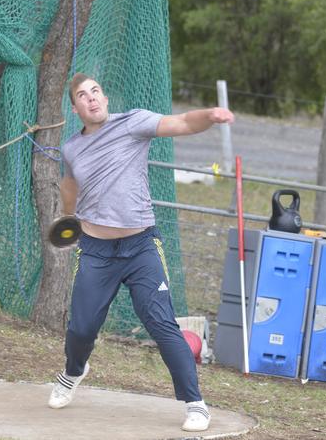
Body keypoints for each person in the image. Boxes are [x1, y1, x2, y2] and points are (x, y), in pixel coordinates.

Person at [47, 72, 234, 432]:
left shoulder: (133, 123)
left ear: (104, 97)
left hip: (140, 247)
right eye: (84, 96)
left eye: (96, 91)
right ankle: (73, 372)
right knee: (82, 328)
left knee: (162, 325)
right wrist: (68, 218)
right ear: (76, 108)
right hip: (96, 250)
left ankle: (195, 404)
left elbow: (180, 122)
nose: (92, 98)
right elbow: (70, 185)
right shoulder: (71, 148)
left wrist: (209, 115)